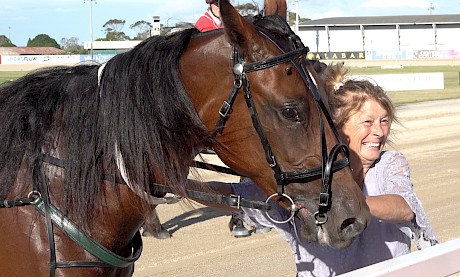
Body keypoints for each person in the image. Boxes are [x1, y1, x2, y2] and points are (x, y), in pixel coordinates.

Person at [188, 62, 438, 276]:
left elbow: (404, 209)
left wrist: (344, 202)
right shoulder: (307, 182)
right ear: (337, 128)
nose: (379, 131)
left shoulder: (389, 164)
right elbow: (237, 196)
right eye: (368, 122)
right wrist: (183, 186)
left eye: (385, 121)